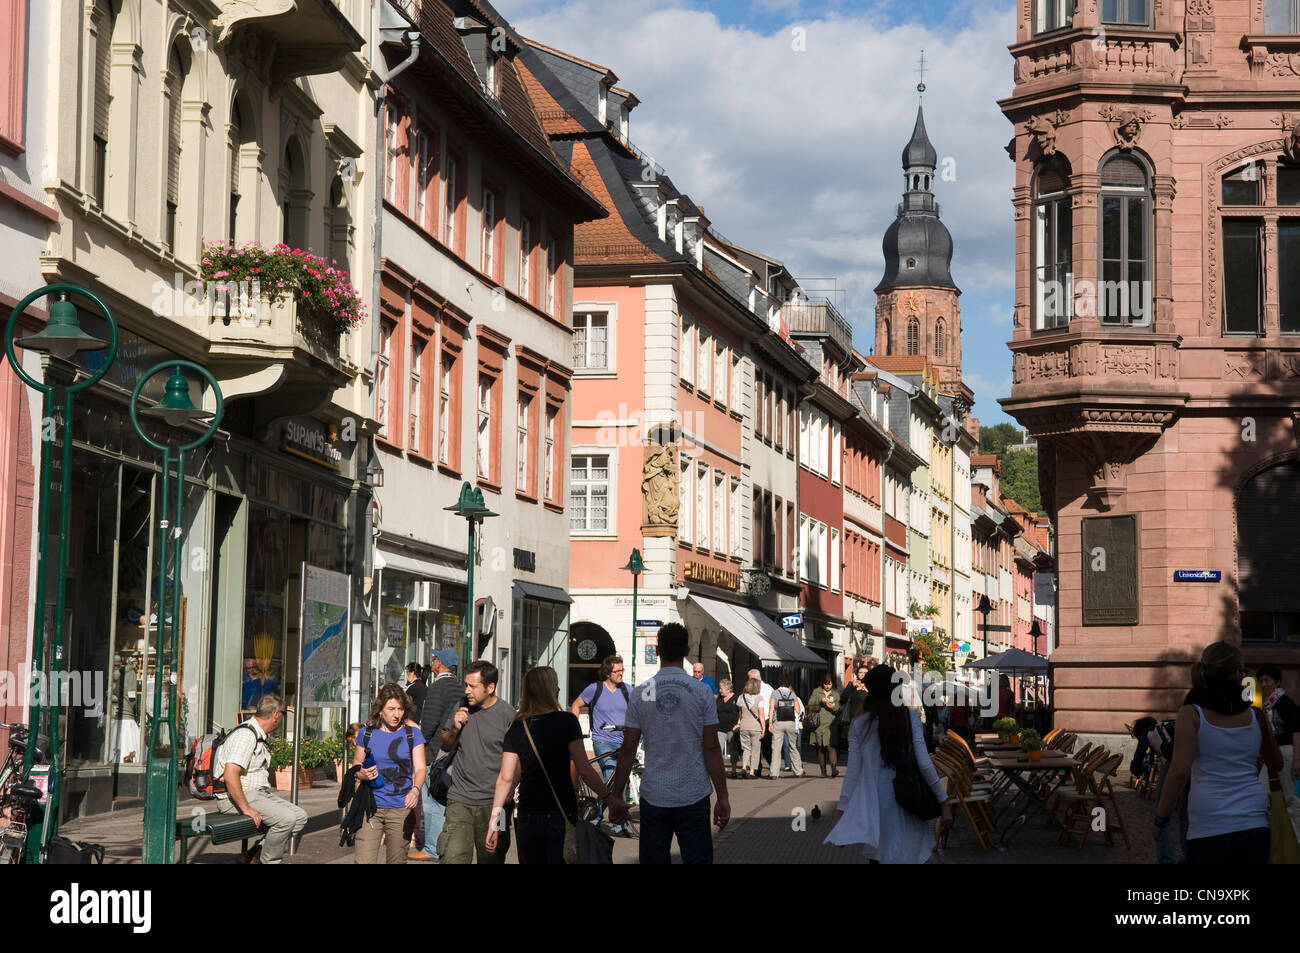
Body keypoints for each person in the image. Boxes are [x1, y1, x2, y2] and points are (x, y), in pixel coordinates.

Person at [610, 622, 730, 864]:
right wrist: (723, 796)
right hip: (694, 793)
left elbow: (628, 750)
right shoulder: (702, 693)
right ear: (686, 651)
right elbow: (712, 748)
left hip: (655, 794)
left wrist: (616, 797)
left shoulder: (641, 693)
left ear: (658, 652)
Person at [485, 666, 628, 863]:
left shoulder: (518, 726)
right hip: (561, 812)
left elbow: (506, 779)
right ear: (551, 690)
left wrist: (495, 823)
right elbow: (585, 769)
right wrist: (611, 800)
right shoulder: (567, 721)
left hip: (528, 814)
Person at [1156, 642, 1279, 864]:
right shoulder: (1256, 715)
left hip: (1209, 822)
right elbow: (1276, 763)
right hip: (1254, 819)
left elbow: (1179, 772)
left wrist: (1161, 818)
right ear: (1237, 674)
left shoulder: (1191, 714)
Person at [826, 664, 952, 863]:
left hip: (874, 806)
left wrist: (842, 812)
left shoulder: (860, 724)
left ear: (872, 692)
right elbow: (924, 764)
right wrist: (943, 802)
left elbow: (852, 773)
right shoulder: (910, 718)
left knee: (880, 856)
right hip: (906, 800)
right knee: (905, 854)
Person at [437, 660, 517, 864]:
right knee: (451, 858)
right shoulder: (461, 705)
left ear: (490, 687)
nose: (467, 691)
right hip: (459, 800)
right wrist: (455, 728)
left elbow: (519, 761)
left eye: (472, 686)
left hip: (496, 806)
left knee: (493, 858)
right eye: (465, 684)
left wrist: (510, 790)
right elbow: (445, 746)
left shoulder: (508, 716)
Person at [213, 694, 308, 864]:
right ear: (276, 715)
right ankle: (268, 861)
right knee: (286, 819)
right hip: (236, 797)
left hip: (257, 794)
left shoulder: (257, 734)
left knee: (299, 816)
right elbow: (230, 774)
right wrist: (246, 808)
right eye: (283, 715)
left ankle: (254, 854)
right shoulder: (246, 735)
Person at [350, 683, 427, 864]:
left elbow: (421, 768)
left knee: (396, 861)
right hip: (370, 808)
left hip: (400, 809)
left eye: (400, 709)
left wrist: (415, 789)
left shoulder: (412, 734)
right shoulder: (366, 733)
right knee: (363, 861)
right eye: (391, 709)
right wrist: (362, 775)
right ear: (380, 710)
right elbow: (355, 766)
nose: (396, 714)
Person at [570, 654, 631, 835]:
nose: (621, 674)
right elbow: (575, 705)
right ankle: (617, 823)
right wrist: (573, 731)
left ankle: (596, 816)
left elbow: (641, 708)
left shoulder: (628, 690)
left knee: (621, 781)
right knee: (611, 774)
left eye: (622, 670)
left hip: (624, 743)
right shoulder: (594, 689)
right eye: (617, 671)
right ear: (607, 672)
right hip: (602, 740)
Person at [414, 647, 462, 860]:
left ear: (440, 664)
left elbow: (429, 725)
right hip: (454, 753)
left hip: (434, 752)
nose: (431, 662)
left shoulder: (437, 688)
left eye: (434, 659)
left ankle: (431, 848)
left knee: (431, 802)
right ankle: (444, 843)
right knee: (445, 802)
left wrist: (417, 746)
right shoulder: (459, 688)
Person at [1257, 664, 1300, 840]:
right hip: (1272, 754)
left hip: (1287, 752)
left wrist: (1297, 758)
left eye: (1267, 680)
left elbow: (1297, 730)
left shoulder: (1284, 702)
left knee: (1292, 798)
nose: (1263, 684)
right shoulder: (1266, 706)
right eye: (1261, 681)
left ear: (1277, 682)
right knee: (1262, 794)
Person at [768, 673, 804, 778]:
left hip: (777, 722)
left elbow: (771, 709)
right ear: (789, 684)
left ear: (780, 683)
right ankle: (798, 771)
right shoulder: (792, 694)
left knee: (776, 748)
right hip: (790, 722)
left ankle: (774, 773)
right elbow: (798, 710)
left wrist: (770, 723)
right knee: (793, 746)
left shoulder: (774, 693)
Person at [808, 673, 841, 777]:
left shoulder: (835, 694)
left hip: (830, 724)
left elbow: (839, 709)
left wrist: (834, 706)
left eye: (829, 684)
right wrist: (820, 700)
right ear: (822, 683)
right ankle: (823, 771)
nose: (827, 686)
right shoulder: (816, 692)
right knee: (820, 748)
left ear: (833, 684)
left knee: (830, 746)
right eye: (826, 684)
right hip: (818, 723)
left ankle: (834, 769)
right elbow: (810, 704)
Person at [736, 677, 766, 780]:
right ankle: (752, 771)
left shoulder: (741, 697)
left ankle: (744, 767)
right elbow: (761, 715)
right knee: (755, 750)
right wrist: (764, 728)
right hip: (755, 727)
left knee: (746, 749)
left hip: (744, 726)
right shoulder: (759, 699)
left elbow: (740, 713)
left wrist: (739, 723)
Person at [747, 668, 775, 776]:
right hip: (754, 721)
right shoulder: (750, 689)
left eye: (751, 679)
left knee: (766, 747)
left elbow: (772, 706)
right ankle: (757, 768)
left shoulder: (767, 689)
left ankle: (773, 768)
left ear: (758, 678)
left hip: (766, 721)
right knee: (754, 746)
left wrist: (771, 722)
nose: (749, 681)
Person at [716, 678, 740, 779]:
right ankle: (720, 770)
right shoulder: (719, 698)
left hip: (732, 728)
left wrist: (738, 724)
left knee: (733, 749)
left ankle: (734, 770)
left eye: (722, 688)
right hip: (720, 728)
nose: (720, 690)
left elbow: (741, 712)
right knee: (718, 750)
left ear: (728, 689)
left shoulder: (736, 698)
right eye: (720, 688)